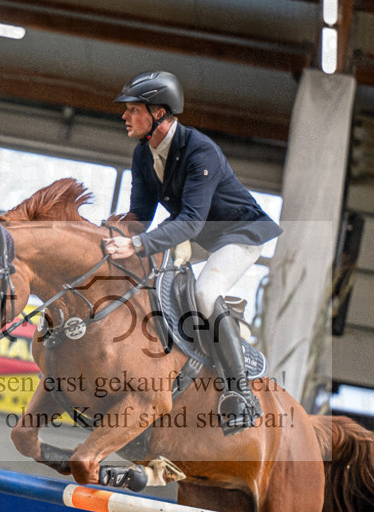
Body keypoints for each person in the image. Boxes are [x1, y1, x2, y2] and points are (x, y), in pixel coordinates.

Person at [102, 70, 282, 435]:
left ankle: (239, 393)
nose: (124, 116)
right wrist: (115, 234)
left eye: (133, 110)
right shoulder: (143, 153)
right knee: (149, 269)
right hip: (198, 231)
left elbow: (189, 221)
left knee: (205, 293)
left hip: (238, 232)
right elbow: (141, 216)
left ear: (160, 114)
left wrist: (136, 244)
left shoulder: (201, 151)